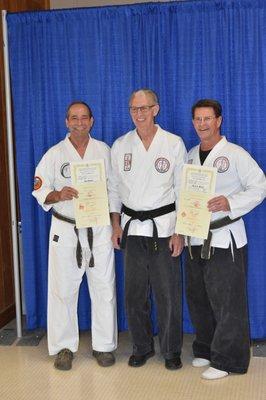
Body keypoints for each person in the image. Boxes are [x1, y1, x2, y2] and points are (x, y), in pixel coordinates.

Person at [32, 101, 117, 370]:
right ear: (66, 121)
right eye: (74, 118)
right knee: (63, 289)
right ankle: (63, 347)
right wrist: (58, 194)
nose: (79, 123)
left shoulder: (103, 150)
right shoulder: (54, 154)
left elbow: (115, 188)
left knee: (104, 287)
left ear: (92, 121)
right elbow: (39, 188)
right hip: (65, 227)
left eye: (84, 118)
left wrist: (115, 222)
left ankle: (103, 346)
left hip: (99, 226)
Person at [185, 99, 266, 380]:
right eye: (198, 119)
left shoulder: (235, 154)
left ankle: (229, 359)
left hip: (224, 236)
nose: (202, 124)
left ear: (218, 120)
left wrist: (230, 202)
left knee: (227, 300)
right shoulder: (190, 155)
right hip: (194, 235)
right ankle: (206, 348)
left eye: (208, 118)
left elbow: (260, 186)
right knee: (199, 297)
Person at [109, 89, 187, 370]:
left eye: (144, 108)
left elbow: (182, 189)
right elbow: (114, 188)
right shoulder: (121, 145)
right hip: (131, 228)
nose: (138, 114)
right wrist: (115, 224)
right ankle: (142, 347)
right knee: (134, 294)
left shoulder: (173, 143)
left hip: (164, 227)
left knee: (167, 294)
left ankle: (171, 350)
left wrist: (180, 230)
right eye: (133, 109)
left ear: (156, 109)